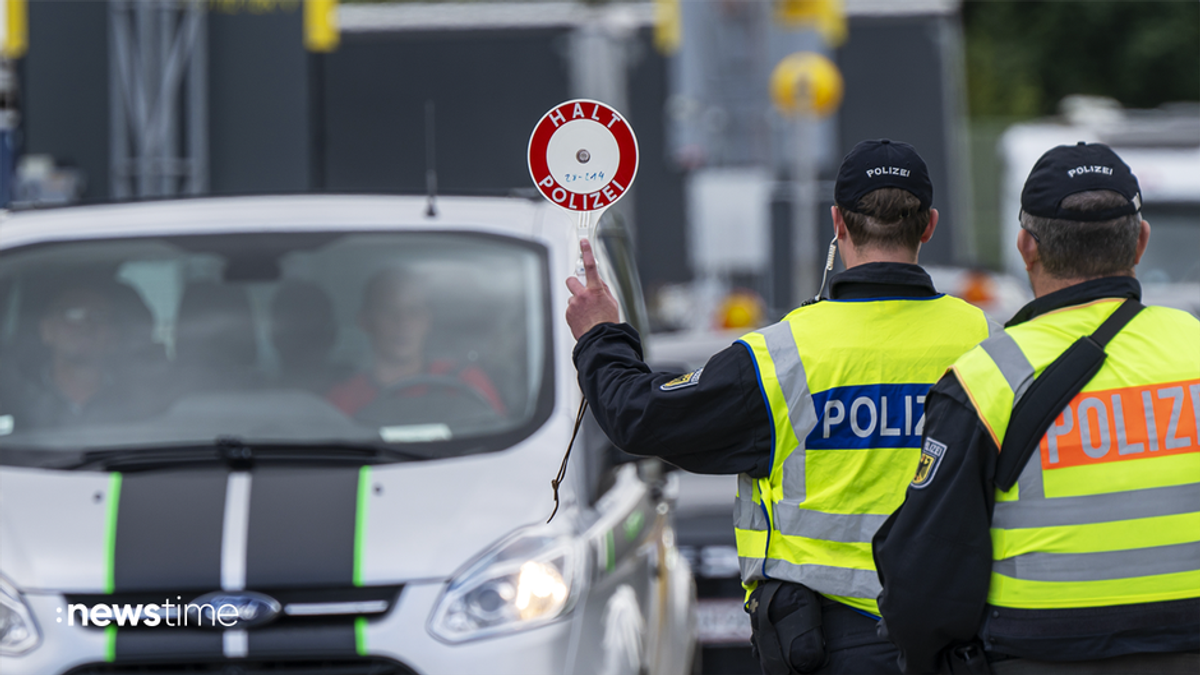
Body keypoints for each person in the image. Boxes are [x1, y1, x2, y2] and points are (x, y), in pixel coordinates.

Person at [566, 139, 995, 674]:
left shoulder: (781, 358)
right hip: (960, 646)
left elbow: (637, 414)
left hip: (825, 645)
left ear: (837, 223)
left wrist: (602, 334)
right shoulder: (990, 344)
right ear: (928, 225)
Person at [872, 142, 1200, 674]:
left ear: (1027, 246)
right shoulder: (1195, 347)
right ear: (1140, 241)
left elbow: (924, 579)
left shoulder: (986, 379)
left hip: (1040, 657)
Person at [328, 266, 505, 419]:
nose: (403, 323)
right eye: (389, 311)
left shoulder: (466, 382)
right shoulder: (342, 400)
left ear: (427, 320)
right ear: (365, 321)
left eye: (414, 311)